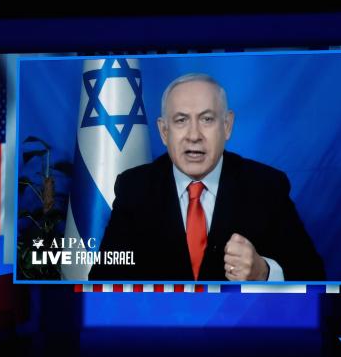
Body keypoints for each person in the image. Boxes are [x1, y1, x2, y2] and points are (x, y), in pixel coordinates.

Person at [88, 73, 324, 282]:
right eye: (181, 120)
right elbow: (102, 281)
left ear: (227, 125)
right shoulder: (134, 188)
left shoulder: (265, 187)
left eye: (207, 119)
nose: (194, 135)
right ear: (163, 131)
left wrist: (263, 273)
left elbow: (314, 275)